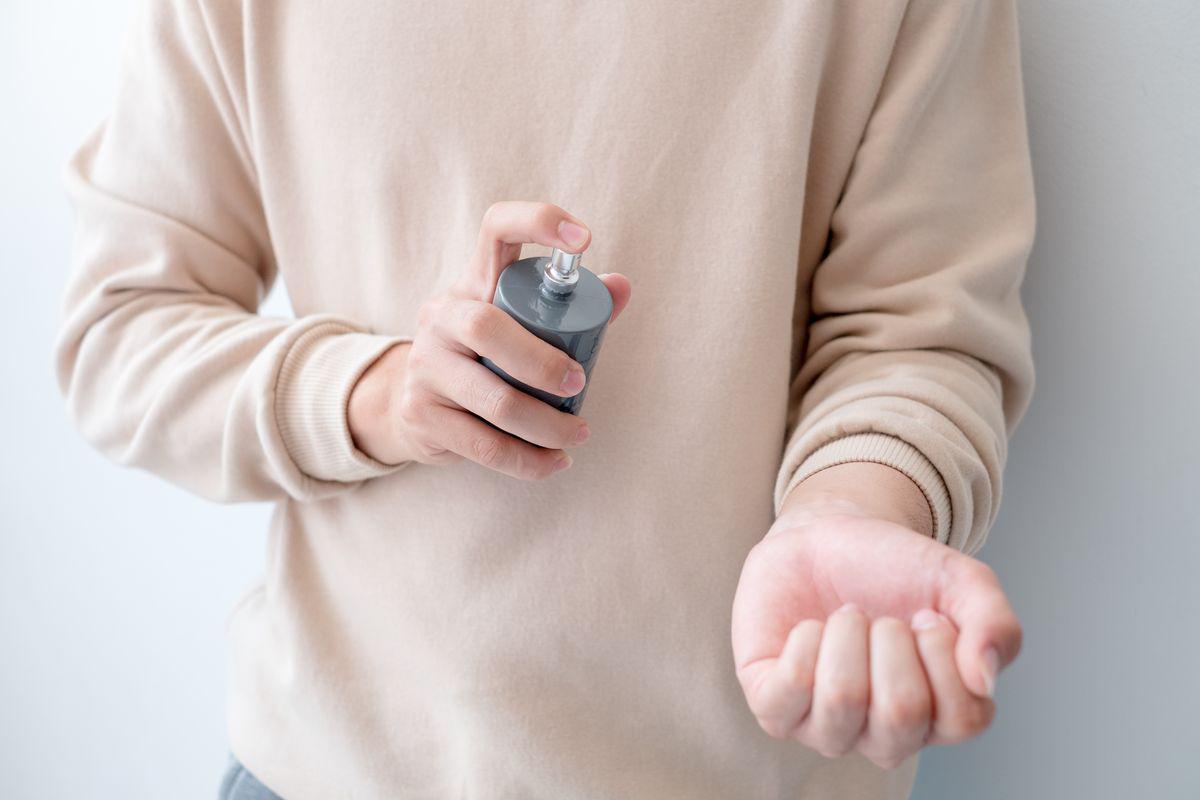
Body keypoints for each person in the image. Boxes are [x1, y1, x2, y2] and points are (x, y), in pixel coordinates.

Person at [55, 0, 1036, 797]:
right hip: (336, 766)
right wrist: (378, 395)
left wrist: (854, 505)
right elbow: (122, 327)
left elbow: (917, 330)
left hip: (746, 768)